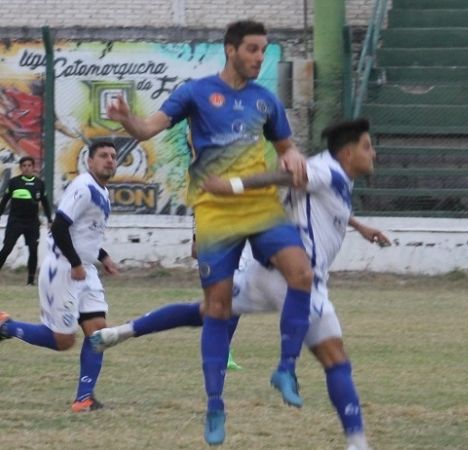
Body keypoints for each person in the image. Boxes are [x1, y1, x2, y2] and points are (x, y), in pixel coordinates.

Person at [91, 118, 383, 450]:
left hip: (263, 274)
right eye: (367, 146)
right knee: (336, 360)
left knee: (205, 310)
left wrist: (359, 226)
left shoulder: (334, 174)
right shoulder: (325, 170)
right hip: (298, 281)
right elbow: (289, 177)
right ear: (347, 153)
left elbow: (312, 194)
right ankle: (357, 443)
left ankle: (122, 332)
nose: (373, 153)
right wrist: (234, 186)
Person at [107, 20, 313, 445]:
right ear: (231, 49)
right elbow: (148, 129)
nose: (259, 58)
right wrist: (129, 119)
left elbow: (285, 146)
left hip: (258, 205)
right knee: (217, 308)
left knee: (303, 274)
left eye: (263, 50)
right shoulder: (196, 92)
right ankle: (215, 405)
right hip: (215, 210)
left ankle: (285, 368)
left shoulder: (266, 100)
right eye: (253, 50)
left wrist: (292, 158)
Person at [0, 141, 119, 412]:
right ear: (89, 161)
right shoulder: (83, 187)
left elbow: (84, 233)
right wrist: (75, 263)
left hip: (85, 269)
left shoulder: (102, 191)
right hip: (64, 268)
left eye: (113, 157)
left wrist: (102, 256)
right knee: (63, 341)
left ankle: (84, 398)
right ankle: (6, 327)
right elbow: (59, 227)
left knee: (98, 332)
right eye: (103, 156)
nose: (110, 160)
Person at [0, 156, 53, 286]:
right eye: (24, 166)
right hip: (15, 221)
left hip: (32, 222)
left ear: (33, 167)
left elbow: (45, 203)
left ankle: (30, 281)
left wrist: (50, 220)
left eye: (29, 165)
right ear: (20, 168)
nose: (27, 168)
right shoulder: (14, 182)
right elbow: (4, 201)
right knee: (7, 249)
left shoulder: (39, 184)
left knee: (33, 250)